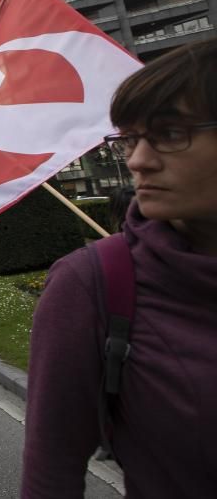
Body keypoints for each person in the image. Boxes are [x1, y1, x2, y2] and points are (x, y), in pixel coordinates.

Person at [22, 40, 217, 497]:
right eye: (129, 138)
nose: (137, 160)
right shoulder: (91, 283)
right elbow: (51, 473)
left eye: (169, 133)